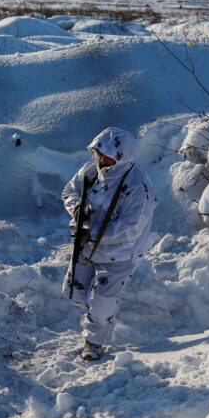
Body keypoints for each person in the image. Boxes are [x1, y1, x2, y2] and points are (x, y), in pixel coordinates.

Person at [61, 127, 156, 362]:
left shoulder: (137, 185)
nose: (101, 160)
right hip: (86, 245)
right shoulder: (91, 170)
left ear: (122, 155)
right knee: (74, 292)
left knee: (101, 303)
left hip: (120, 253)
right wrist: (76, 208)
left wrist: (93, 233)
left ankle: (95, 341)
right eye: (98, 154)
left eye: (106, 156)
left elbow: (130, 226)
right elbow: (69, 192)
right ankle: (100, 320)